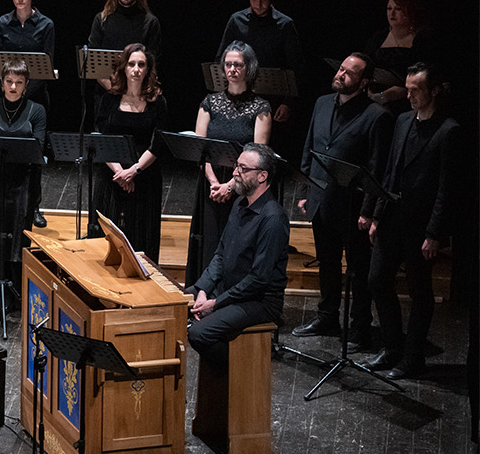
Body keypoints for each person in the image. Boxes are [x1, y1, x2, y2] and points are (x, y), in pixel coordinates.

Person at [364, 64, 458, 378]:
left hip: (421, 226)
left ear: (433, 91)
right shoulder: (403, 120)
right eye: (407, 88)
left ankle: (412, 357)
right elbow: (390, 170)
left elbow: (447, 187)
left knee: (420, 292)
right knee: (377, 279)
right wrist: (377, 214)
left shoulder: (448, 130)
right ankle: (392, 348)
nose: (409, 95)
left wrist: (434, 233)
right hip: (392, 217)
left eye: (416, 90)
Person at [292, 54, 391, 344]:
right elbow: (310, 146)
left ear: (364, 82)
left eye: (350, 73)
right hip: (322, 198)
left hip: (353, 205)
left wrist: (369, 211)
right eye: (341, 69)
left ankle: (360, 325)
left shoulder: (377, 115)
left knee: (359, 269)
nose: (341, 74)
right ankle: (327, 317)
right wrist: (304, 191)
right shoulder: (322, 103)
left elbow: (377, 167)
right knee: (328, 261)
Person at [187, 143, 290, 370]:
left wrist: (215, 304)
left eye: (243, 169)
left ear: (262, 176)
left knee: (199, 333)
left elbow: (258, 279)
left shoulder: (273, 219)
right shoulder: (239, 205)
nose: (235, 173)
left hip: (259, 301)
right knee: (175, 303)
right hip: (230, 288)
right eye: (236, 166)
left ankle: (241, 374)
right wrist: (203, 288)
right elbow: (221, 254)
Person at [184, 41, 272, 283]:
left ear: (249, 68)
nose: (232, 69)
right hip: (211, 185)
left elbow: (258, 154)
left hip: (243, 187)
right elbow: (199, 148)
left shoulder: (261, 107)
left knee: (235, 244)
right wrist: (214, 183)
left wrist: (231, 186)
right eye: (228, 64)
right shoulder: (209, 103)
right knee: (209, 241)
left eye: (238, 65)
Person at [0, 60, 47, 303]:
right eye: (9, 82)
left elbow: (37, 147)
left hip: (23, 184)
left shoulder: (37, 110)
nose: (14, 87)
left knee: (18, 236)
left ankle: (17, 294)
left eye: (19, 82)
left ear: (26, 85)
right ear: (2, 82)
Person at [0, 0, 55, 228]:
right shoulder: (2, 23)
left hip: (34, 99)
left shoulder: (46, 25)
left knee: (33, 154)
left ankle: (33, 207)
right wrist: (8, 90)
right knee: (0, 151)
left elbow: (46, 65)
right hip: (4, 97)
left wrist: (23, 92)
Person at [94, 43, 167, 262]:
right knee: (106, 236)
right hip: (112, 174)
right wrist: (120, 172)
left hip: (145, 174)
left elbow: (157, 143)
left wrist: (133, 171)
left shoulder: (158, 102)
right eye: (131, 64)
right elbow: (101, 137)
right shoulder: (110, 98)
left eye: (141, 65)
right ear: (124, 68)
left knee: (141, 236)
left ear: (147, 69)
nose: (136, 69)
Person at [216, 0, 305, 128]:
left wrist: (287, 103)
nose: (258, 5)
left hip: (272, 104)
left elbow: (297, 68)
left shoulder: (285, 25)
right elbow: (220, 59)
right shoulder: (236, 20)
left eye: (264, 0)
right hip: (239, 101)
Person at [362, 0, 437, 114]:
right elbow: (365, 64)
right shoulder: (379, 37)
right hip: (373, 96)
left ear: (410, 11)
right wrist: (370, 93)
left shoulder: (422, 39)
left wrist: (383, 96)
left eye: (398, 9)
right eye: (389, 9)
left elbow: (424, 76)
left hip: (406, 100)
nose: (392, 14)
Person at [87, 0, 162, 62]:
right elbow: (93, 60)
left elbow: (153, 63)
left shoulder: (151, 23)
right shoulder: (101, 20)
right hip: (108, 77)